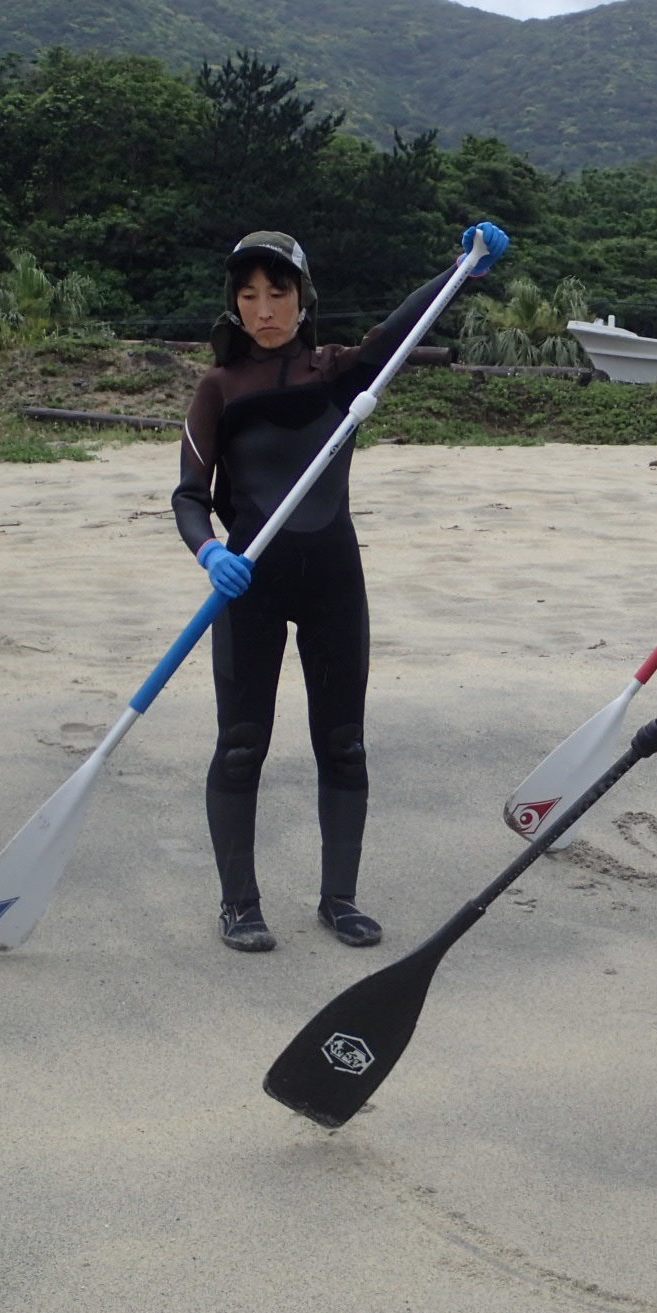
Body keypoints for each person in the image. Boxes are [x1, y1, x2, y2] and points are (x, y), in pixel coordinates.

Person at [172, 222, 509, 953]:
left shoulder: (341, 372)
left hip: (332, 582)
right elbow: (189, 498)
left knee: (344, 745)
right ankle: (239, 905)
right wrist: (208, 555)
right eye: (249, 294)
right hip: (248, 586)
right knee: (240, 745)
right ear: (235, 304)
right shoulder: (219, 388)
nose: (264, 308)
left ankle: (340, 900)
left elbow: (403, 326)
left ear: (302, 299)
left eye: (278, 292)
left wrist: (466, 266)